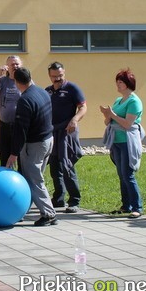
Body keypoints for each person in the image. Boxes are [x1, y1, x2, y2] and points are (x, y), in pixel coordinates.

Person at [6, 67, 56, 227]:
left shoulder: (25, 100)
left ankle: (49, 214)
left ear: (16, 82)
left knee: (34, 180)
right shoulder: (42, 92)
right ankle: (22, 210)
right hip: (48, 139)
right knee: (34, 179)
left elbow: (21, 130)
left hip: (35, 145)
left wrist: (13, 153)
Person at [100, 69, 144, 219]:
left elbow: (127, 123)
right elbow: (109, 121)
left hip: (127, 141)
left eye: (120, 82)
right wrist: (107, 115)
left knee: (128, 174)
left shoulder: (134, 101)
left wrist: (112, 115)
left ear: (128, 84)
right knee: (121, 174)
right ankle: (126, 205)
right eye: (117, 82)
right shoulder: (118, 101)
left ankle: (137, 207)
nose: (117, 85)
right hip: (116, 141)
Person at [45, 62, 87, 213]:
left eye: (60, 75)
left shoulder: (72, 88)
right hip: (52, 132)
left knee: (67, 165)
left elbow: (83, 107)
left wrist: (75, 120)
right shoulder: (48, 91)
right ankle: (58, 198)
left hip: (67, 132)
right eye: (54, 76)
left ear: (64, 73)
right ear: (49, 76)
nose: (57, 79)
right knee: (54, 166)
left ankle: (74, 200)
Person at [0, 55, 23, 169]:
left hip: (20, 125)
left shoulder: (25, 80)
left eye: (17, 64)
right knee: (5, 158)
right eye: (12, 64)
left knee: (21, 157)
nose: (15, 66)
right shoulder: (3, 81)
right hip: (5, 126)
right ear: (7, 67)